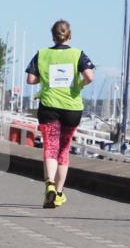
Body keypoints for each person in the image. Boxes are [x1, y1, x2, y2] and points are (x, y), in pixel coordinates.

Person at [25, 19, 95, 208]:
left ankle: (49, 184)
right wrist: (79, 84)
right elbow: (90, 76)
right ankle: (58, 192)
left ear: (53, 36)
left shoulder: (42, 54)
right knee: (63, 150)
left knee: (50, 147)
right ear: (69, 35)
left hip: (49, 107)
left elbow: (30, 79)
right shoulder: (77, 54)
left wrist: (45, 78)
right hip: (72, 108)